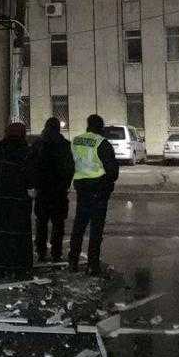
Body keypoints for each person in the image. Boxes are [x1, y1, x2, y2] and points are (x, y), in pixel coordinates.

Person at [68, 114, 119, 275]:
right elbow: (113, 172)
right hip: (98, 191)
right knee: (96, 230)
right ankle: (92, 265)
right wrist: (107, 186)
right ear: (100, 127)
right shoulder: (102, 143)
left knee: (79, 227)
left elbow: (70, 164)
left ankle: (73, 261)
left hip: (82, 189)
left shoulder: (76, 141)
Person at [0, 122, 34, 279]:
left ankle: (0, 267)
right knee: (18, 235)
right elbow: (30, 178)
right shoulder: (24, 153)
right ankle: (19, 268)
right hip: (18, 201)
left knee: (1, 235)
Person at [29, 117, 75, 263]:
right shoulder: (64, 144)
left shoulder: (38, 144)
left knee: (41, 222)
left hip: (42, 190)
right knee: (58, 222)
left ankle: (41, 251)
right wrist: (65, 184)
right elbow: (69, 167)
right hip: (59, 191)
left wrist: (35, 184)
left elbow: (31, 165)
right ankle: (56, 252)